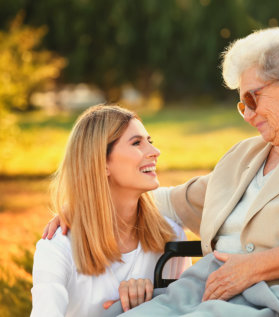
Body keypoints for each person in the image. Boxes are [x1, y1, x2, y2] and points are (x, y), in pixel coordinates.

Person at [45, 27, 279, 315]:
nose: (248, 115)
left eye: (253, 99)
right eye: (242, 105)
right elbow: (168, 202)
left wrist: (254, 267)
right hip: (209, 294)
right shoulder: (245, 156)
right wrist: (83, 206)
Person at [31, 105, 189, 317]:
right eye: (136, 143)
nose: (155, 152)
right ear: (102, 163)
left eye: (149, 141)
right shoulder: (58, 246)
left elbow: (185, 309)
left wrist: (150, 303)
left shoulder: (170, 235)